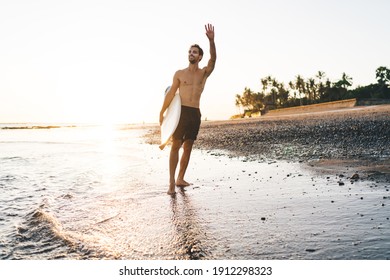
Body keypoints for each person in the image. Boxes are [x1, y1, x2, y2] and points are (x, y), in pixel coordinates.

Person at [159, 23, 216, 195]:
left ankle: (180, 178)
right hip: (180, 112)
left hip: (194, 113)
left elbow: (213, 60)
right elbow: (170, 95)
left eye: (195, 52)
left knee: (189, 146)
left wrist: (211, 41)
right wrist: (162, 111)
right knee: (176, 145)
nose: (191, 54)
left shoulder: (203, 73)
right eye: (190, 51)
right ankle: (170, 183)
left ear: (199, 57)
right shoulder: (179, 74)